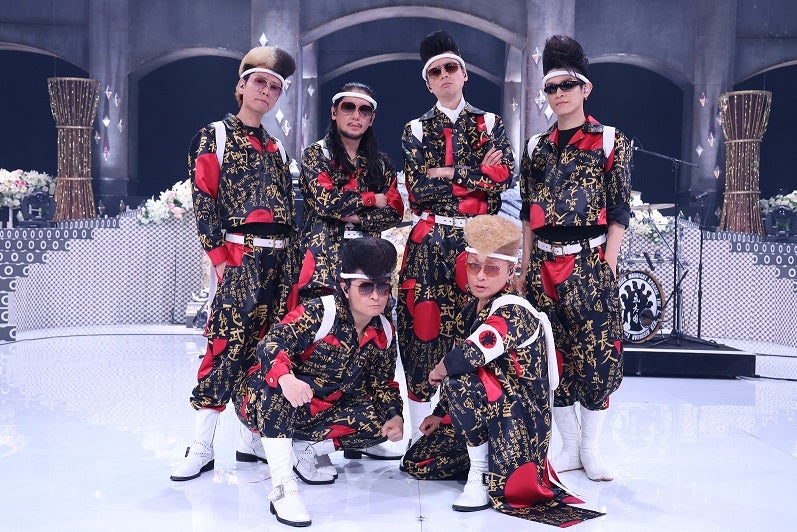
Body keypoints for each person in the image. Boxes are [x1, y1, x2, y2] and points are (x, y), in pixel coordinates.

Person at [402, 215, 603, 525]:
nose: (480, 276)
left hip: (517, 421)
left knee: (458, 379)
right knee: (418, 461)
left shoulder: (513, 310)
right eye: (474, 266)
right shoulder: (471, 309)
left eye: (492, 269)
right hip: (488, 409)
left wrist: (439, 369)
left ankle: (481, 474)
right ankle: (482, 458)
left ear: (510, 271)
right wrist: (440, 415)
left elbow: (470, 355)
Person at [171, 46, 298, 481]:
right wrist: (220, 259)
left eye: (275, 87)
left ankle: (251, 440)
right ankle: (202, 446)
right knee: (223, 348)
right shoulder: (215, 135)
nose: (267, 91)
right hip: (240, 257)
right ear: (242, 86)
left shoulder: (277, 148)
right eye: (260, 82)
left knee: (268, 349)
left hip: (278, 262)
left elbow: (288, 209)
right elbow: (204, 198)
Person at [519, 35, 632, 482]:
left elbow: (619, 210)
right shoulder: (535, 147)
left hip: (589, 261)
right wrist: (525, 267)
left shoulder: (609, 140)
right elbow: (527, 215)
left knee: (597, 357)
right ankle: (568, 446)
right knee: (554, 357)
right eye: (551, 87)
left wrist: (609, 264)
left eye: (567, 85)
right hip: (543, 265)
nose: (559, 93)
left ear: (586, 88)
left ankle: (592, 448)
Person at [233, 237, 404, 527]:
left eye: (383, 288)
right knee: (275, 390)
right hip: (265, 400)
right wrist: (286, 377)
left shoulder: (384, 330)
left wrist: (394, 415)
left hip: (319, 409)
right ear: (345, 287)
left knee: (380, 422)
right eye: (366, 287)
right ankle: (283, 487)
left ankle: (304, 449)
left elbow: (383, 383)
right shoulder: (320, 312)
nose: (376, 296)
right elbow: (271, 343)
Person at [398, 30, 514, 445]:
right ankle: (419, 436)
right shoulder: (415, 129)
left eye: (451, 67)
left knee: (475, 328)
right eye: (436, 71)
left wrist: (449, 172)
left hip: (479, 239)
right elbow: (418, 189)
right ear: (428, 83)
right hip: (429, 238)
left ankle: (469, 436)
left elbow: (504, 177)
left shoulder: (490, 123)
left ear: (464, 74)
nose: (444, 75)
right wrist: (477, 174)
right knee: (422, 332)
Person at [291, 82, 404, 303]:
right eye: (348, 107)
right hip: (322, 268)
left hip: (368, 269)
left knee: (369, 323)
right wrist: (372, 199)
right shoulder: (317, 155)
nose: (356, 116)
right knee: (322, 323)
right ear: (334, 112)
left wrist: (355, 217)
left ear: (371, 119)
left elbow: (394, 212)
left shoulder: (381, 164)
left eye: (364, 110)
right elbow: (326, 202)